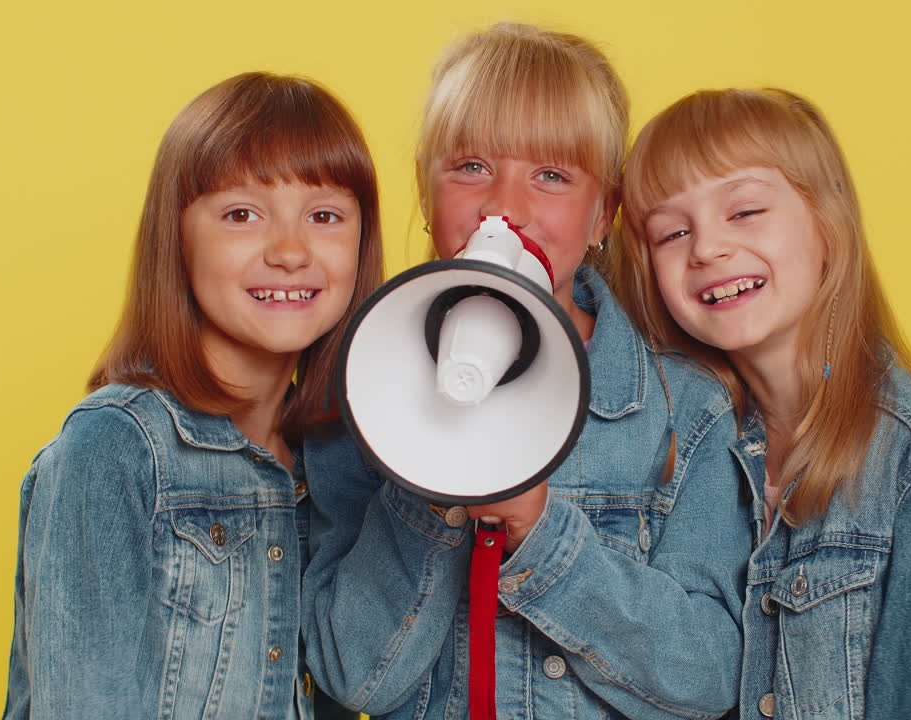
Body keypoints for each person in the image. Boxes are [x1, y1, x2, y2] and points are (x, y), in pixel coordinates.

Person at [302, 23, 748, 719]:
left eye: (552, 176)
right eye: (471, 167)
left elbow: (706, 678)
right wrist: (427, 473)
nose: (504, 205)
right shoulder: (356, 389)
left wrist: (545, 538)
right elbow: (350, 674)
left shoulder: (685, 412)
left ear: (604, 213)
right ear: (425, 191)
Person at [611, 87, 911, 718]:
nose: (706, 248)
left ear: (828, 223)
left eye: (744, 212)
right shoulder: (698, 448)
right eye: (672, 232)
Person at [2, 71, 382, 720]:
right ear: (176, 239)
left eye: (324, 216)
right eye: (242, 214)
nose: (290, 251)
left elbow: (370, 679)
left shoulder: (337, 461)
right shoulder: (115, 452)